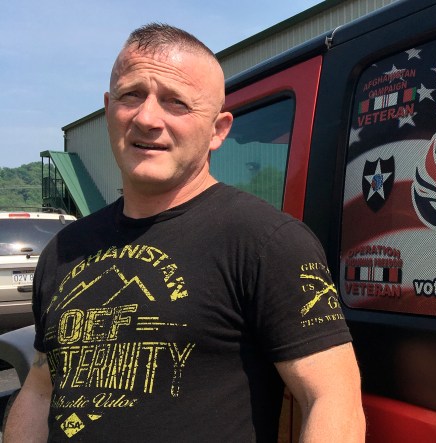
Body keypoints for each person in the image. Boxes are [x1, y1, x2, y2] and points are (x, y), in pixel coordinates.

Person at [5, 23, 365, 442]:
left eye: (176, 103)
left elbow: (332, 398)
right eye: (131, 95)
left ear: (217, 130)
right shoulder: (65, 249)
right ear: (109, 108)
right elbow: (41, 388)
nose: (146, 118)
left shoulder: (266, 242)